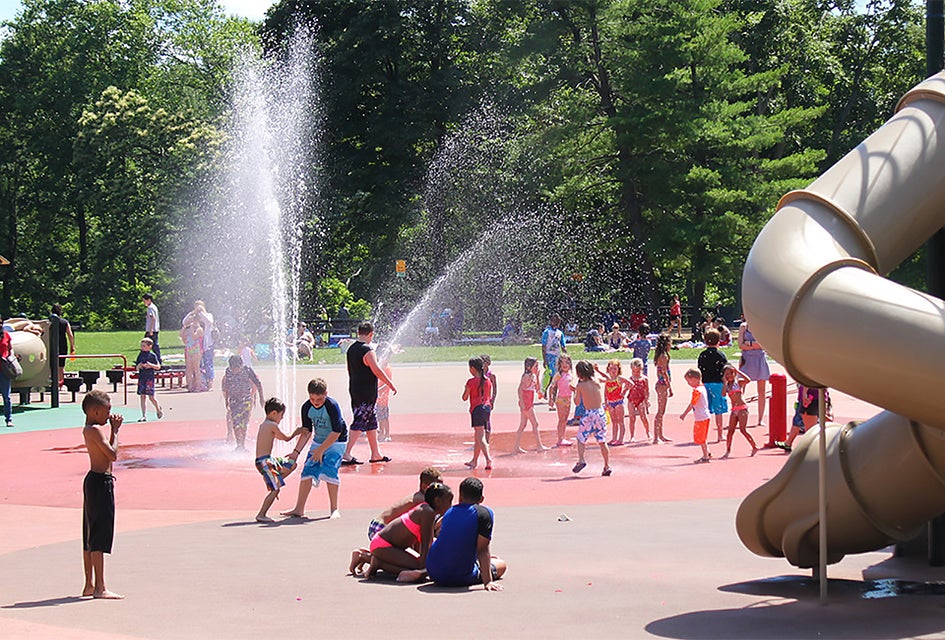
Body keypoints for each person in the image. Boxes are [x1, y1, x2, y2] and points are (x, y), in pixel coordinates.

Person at [426, 477, 507, 591]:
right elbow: (482, 549)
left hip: (433, 572)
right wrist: (488, 582)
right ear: (481, 498)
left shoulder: (449, 512)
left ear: (460, 497)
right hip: (457, 577)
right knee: (501, 565)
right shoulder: (484, 513)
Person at [283, 378, 348, 519]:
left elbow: (337, 431)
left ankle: (334, 509)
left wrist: (321, 450)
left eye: (319, 399)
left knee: (330, 470)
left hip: (337, 441)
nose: (316, 402)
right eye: (312, 398)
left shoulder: (332, 405)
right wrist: (296, 452)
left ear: (326, 394)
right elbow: (306, 431)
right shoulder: (306, 407)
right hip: (319, 441)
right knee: (307, 471)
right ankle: (299, 509)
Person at [80, 390, 124, 599]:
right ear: (95, 411)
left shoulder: (90, 429)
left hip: (95, 481)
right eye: (107, 411)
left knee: (90, 533)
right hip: (100, 482)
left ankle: (89, 584)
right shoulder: (95, 430)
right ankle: (100, 587)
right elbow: (113, 455)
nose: (109, 415)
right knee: (98, 534)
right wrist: (116, 431)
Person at [364, 483, 455, 582]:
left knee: (422, 566)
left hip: (391, 546)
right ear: (438, 501)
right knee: (420, 567)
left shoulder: (425, 510)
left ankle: (372, 559)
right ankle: (378, 563)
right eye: (449, 501)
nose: (451, 506)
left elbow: (423, 543)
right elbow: (426, 545)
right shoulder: (427, 512)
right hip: (382, 544)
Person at [341, 322, 397, 465]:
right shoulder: (368, 350)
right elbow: (376, 370)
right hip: (366, 392)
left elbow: (349, 370)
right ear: (370, 334)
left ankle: (375, 453)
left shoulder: (351, 349)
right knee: (360, 421)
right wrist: (390, 383)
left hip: (355, 389)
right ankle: (346, 453)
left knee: (371, 421)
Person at [254, 397, 304, 522]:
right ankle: (261, 514)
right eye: (281, 415)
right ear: (274, 413)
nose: (282, 418)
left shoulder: (265, 424)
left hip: (268, 460)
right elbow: (285, 438)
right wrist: (296, 432)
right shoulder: (271, 425)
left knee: (291, 464)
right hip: (265, 462)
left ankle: (277, 481)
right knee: (275, 489)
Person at [572, 360, 611, 476]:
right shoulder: (597, 380)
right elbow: (609, 378)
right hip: (600, 413)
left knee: (581, 437)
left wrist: (575, 391)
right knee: (602, 441)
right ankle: (606, 465)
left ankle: (581, 459)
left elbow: (577, 402)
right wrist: (598, 370)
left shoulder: (580, 385)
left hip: (589, 414)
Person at [221, 355, 264, 450]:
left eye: (237, 368)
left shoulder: (247, 371)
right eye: (233, 368)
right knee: (235, 422)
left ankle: (242, 444)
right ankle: (238, 444)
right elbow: (227, 385)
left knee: (244, 423)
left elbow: (258, 383)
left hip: (246, 400)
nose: (235, 370)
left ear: (241, 365)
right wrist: (226, 400)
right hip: (234, 401)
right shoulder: (228, 371)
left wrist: (261, 398)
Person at [776, 385, 832, 452]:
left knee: (810, 432)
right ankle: (789, 443)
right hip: (817, 398)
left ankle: (815, 451)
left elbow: (807, 383)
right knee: (806, 426)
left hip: (811, 400)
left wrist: (804, 396)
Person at [697, 328, 728, 443]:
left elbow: (700, 369)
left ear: (705, 341)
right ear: (718, 341)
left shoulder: (702, 355)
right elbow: (725, 369)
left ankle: (703, 433)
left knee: (705, 409)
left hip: (705, 383)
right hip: (718, 384)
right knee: (718, 410)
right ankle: (720, 434)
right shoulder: (721, 355)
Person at [738, 319, 771, 426]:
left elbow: (765, 344)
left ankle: (760, 419)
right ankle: (739, 414)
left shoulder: (762, 325)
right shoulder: (743, 326)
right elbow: (740, 345)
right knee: (741, 388)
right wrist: (754, 345)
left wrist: (749, 344)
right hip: (747, 359)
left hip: (759, 359)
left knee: (762, 390)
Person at [720, 364, 758, 459]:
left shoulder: (738, 382)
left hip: (742, 408)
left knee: (743, 429)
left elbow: (748, 380)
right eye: (727, 374)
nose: (729, 376)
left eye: (731, 373)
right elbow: (723, 394)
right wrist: (724, 382)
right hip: (734, 410)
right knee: (730, 432)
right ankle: (728, 450)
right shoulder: (727, 385)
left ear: (734, 373)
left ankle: (754, 446)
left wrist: (738, 371)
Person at [463, 356, 493, 470]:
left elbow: (464, 397)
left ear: (472, 369)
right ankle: (474, 460)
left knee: (480, 437)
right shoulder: (487, 380)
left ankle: (488, 459)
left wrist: (466, 388)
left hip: (477, 409)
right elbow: (488, 396)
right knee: (478, 436)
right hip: (486, 408)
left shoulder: (471, 382)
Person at [514, 357, 548, 453]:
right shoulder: (526, 377)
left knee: (523, 424)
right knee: (535, 423)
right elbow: (520, 389)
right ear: (529, 367)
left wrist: (537, 376)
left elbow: (538, 389)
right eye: (536, 366)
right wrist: (521, 402)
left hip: (529, 402)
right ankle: (539, 446)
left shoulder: (532, 376)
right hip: (526, 403)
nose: (537, 368)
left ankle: (516, 446)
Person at [594, 359, 629, 446]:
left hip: (618, 402)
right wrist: (606, 402)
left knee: (620, 421)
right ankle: (614, 438)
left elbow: (630, 383)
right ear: (608, 370)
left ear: (618, 370)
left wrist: (624, 391)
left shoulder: (619, 379)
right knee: (614, 421)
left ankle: (620, 439)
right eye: (611, 369)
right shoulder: (608, 380)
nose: (613, 371)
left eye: (615, 369)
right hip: (610, 402)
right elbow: (606, 391)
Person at [680, 368, 711, 464]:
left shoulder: (697, 391)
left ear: (694, 379)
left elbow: (692, 404)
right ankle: (707, 453)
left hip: (701, 417)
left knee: (701, 438)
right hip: (705, 415)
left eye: (688, 381)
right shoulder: (702, 388)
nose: (688, 383)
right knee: (703, 437)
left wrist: (684, 414)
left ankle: (705, 456)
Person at [547, 354, 574, 447]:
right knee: (561, 419)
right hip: (561, 399)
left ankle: (563, 437)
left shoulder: (571, 374)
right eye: (562, 362)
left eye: (566, 362)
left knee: (565, 419)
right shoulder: (559, 375)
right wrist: (551, 398)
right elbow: (552, 386)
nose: (564, 364)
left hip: (568, 399)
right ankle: (560, 439)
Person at [652, 333, 673, 444]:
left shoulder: (661, 355)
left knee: (662, 411)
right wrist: (669, 386)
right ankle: (656, 437)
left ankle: (660, 434)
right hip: (662, 385)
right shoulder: (664, 356)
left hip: (661, 384)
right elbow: (664, 372)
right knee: (660, 411)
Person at [135, 338, 162, 422]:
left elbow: (158, 367)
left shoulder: (152, 356)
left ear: (149, 346)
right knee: (142, 396)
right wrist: (139, 365)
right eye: (141, 346)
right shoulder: (140, 355)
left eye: (144, 346)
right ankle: (143, 415)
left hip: (149, 377)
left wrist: (150, 365)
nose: (142, 347)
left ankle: (158, 409)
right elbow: (136, 367)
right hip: (142, 377)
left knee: (151, 397)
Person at [540, 314, 567, 397]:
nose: (557, 322)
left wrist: (566, 357)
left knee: (556, 376)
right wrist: (544, 359)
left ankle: (553, 395)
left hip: (557, 357)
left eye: (558, 321)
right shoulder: (547, 332)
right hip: (549, 356)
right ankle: (545, 390)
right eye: (555, 320)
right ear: (551, 321)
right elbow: (544, 346)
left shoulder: (560, 333)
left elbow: (563, 346)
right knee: (551, 376)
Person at [625, 358, 650, 443]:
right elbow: (626, 388)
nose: (636, 374)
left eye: (638, 372)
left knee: (643, 417)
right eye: (634, 372)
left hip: (641, 399)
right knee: (632, 418)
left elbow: (647, 391)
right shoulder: (630, 379)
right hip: (631, 399)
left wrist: (647, 401)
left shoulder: (644, 379)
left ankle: (648, 432)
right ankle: (632, 436)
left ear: (641, 369)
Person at [179, 311, 205, 392]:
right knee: (188, 369)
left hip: (196, 349)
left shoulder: (199, 329)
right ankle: (190, 386)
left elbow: (194, 337)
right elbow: (181, 335)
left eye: (194, 321)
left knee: (196, 368)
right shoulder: (189, 328)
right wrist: (184, 328)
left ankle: (198, 386)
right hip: (188, 348)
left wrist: (192, 328)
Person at [51, 303, 76, 386]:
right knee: (61, 366)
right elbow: (70, 334)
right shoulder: (65, 322)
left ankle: (52, 382)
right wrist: (72, 346)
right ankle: (60, 384)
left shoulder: (48, 322)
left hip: (50, 345)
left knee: (50, 365)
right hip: (62, 345)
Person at [376, 344, 395, 443]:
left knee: (385, 417)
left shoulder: (387, 368)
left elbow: (388, 383)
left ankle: (387, 434)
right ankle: (381, 433)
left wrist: (378, 390)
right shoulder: (379, 367)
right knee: (379, 417)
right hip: (377, 398)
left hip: (383, 397)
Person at [0, 315, 15, 427]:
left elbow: (10, 348)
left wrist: (11, 357)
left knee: (7, 396)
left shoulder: (6, 335)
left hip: (4, 369)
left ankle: (8, 418)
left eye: (1, 323)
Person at [480, 354, 497, 442]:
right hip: (479, 400)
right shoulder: (479, 374)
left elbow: (495, 389)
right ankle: (481, 438)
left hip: (487, 400)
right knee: (480, 420)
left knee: (487, 420)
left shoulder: (491, 375)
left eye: (484, 362)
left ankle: (487, 439)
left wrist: (493, 400)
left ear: (488, 363)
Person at [142, 293, 161, 363]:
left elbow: (153, 318)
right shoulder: (154, 307)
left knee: (146, 344)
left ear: (149, 300)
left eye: (144, 301)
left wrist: (150, 330)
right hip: (154, 329)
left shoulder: (150, 308)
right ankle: (156, 359)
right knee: (153, 345)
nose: (144, 303)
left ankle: (144, 359)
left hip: (151, 330)